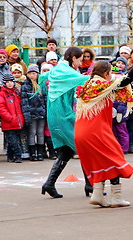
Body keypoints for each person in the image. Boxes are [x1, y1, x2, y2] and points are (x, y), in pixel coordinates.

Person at [75, 60, 133, 207]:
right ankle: (117, 197)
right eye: (110, 72)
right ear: (106, 73)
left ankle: (97, 194)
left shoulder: (87, 85)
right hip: (96, 130)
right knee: (114, 158)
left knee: (100, 161)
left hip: (81, 131)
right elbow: (126, 80)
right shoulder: (102, 85)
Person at [41, 47, 90, 198]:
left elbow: (43, 78)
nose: (81, 63)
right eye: (80, 60)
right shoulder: (65, 71)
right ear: (73, 58)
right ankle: (90, 184)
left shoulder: (59, 69)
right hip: (62, 116)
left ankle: (49, 184)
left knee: (66, 151)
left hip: (58, 116)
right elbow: (85, 80)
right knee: (83, 148)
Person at [0, 74, 24, 163]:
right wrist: (10, 118)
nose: (9, 84)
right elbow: (1, 107)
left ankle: (10, 156)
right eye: (7, 82)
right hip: (9, 122)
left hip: (17, 121)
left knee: (13, 140)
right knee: (13, 141)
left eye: (11, 82)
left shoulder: (16, 92)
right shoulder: (2, 93)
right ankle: (18, 155)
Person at [21, 65, 47, 161]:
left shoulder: (41, 85)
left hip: (41, 113)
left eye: (34, 73)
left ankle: (40, 152)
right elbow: (24, 102)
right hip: (31, 114)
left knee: (40, 133)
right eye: (30, 73)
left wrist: (45, 112)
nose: (32, 75)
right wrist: (27, 114)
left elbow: (44, 100)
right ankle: (32, 153)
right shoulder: (25, 86)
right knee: (32, 133)